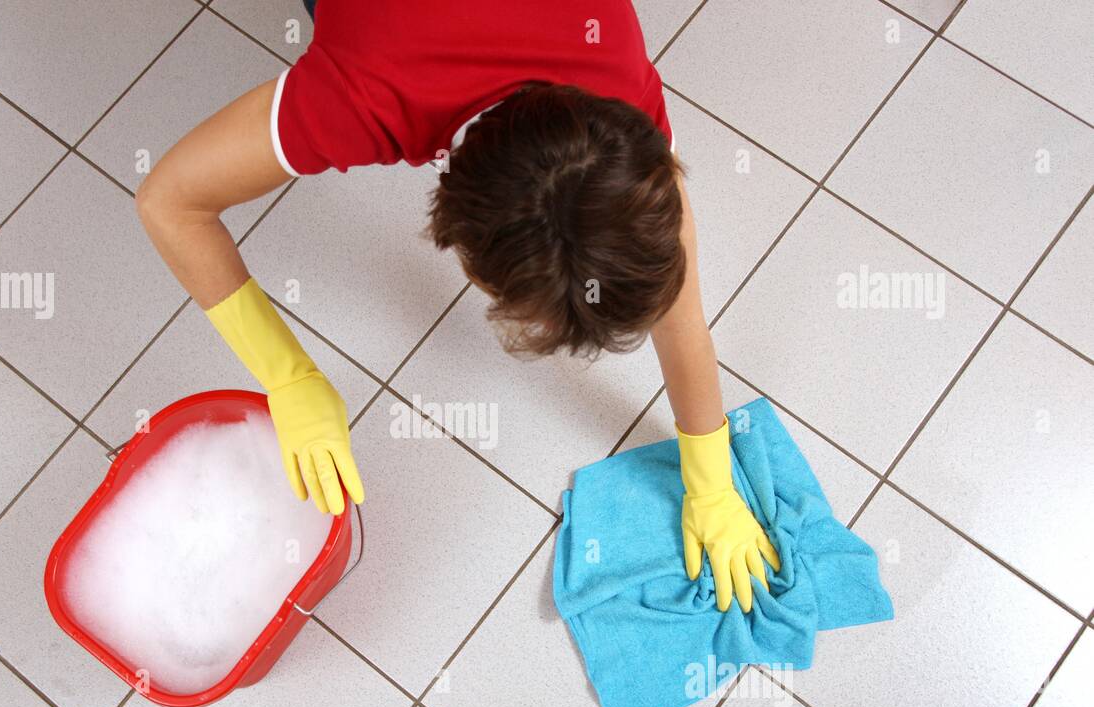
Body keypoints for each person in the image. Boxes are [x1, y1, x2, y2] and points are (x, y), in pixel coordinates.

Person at [136, 1, 779, 614]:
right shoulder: (365, 93)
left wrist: (711, 479)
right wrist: (287, 375)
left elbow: (678, 310)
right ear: (458, 239)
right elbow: (170, 202)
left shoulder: (613, 79)